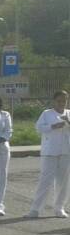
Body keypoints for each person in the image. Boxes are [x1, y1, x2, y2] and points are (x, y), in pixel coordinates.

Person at [28, 90, 70, 219]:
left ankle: (59, 208)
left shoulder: (69, 113)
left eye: (64, 101)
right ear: (54, 101)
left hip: (65, 151)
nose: (61, 103)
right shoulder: (47, 114)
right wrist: (53, 126)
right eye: (59, 101)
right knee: (45, 180)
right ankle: (35, 209)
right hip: (50, 151)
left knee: (63, 182)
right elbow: (39, 127)